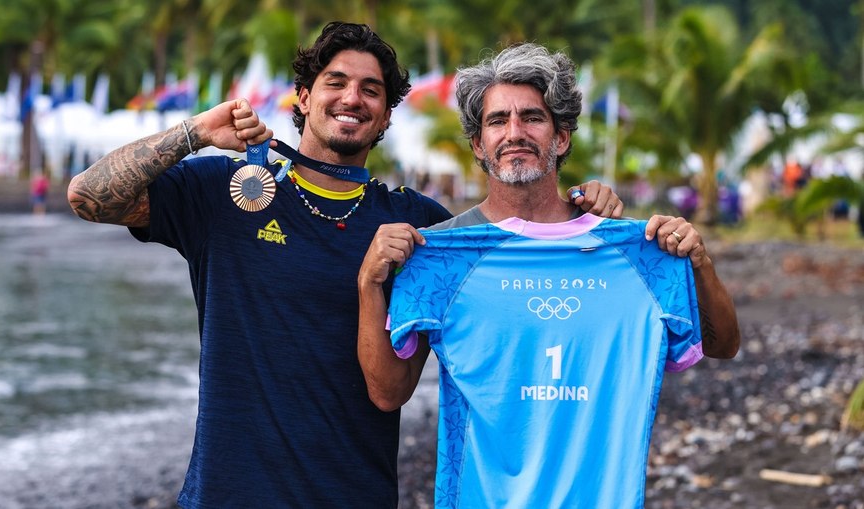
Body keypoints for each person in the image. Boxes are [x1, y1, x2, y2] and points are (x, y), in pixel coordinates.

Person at [66, 23, 623, 508]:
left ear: (384, 116)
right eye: (336, 82)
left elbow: (516, 257)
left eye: (371, 90)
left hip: (356, 493)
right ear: (303, 98)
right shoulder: (228, 191)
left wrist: (579, 210)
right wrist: (192, 135)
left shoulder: (417, 225)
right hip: (230, 493)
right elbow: (89, 197)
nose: (352, 97)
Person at [357, 43, 740, 508]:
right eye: (498, 121)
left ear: (560, 138)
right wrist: (369, 286)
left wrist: (699, 262)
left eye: (532, 118)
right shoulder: (439, 255)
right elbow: (388, 392)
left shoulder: (634, 252)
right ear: (479, 144)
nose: (514, 132)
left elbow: (722, 345)